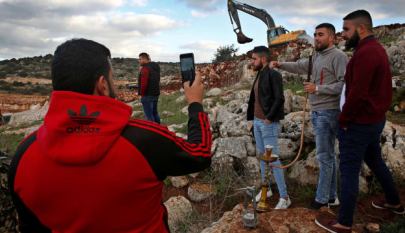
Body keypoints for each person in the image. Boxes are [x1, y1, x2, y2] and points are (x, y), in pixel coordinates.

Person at [8, 39, 212, 233]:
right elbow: (200, 153)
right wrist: (195, 103)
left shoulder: (23, 156)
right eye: (112, 77)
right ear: (102, 84)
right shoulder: (145, 139)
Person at [315, 10, 404, 233]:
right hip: (372, 121)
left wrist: (344, 120)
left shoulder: (366, 54)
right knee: (375, 161)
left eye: (346, 29)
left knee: (349, 171)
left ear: (361, 29)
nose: (343, 34)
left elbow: (357, 94)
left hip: (359, 124)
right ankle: (394, 201)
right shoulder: (373, 49)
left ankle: (344, 222)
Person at [270, 23, 348, 209]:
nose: (317, 38)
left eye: (321, 34)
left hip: (329, 112)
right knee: (327, 155)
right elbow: (299, 66)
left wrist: (317, 88)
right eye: (315, 34)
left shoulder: (338, 56)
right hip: (317, 111)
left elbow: (344, 85)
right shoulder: (316, 56)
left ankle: (321, 200)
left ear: (332, 37)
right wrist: (280, 64)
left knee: (324, 156)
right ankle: (331, 197)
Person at [247, 45, 291, 209]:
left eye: (254, 58)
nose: (252, 62)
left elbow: (279, 98)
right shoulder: (259, 74)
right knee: (262, 157)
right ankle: (267, 190)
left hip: (268, 123)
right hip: (258, 122)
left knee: (273, 160)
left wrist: (268, 118)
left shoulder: (273, 74)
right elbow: (254, 99)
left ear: (263, 59)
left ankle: (285, 197)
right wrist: (251, 119)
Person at [138, 52, 161, 124]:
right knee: (155, 113)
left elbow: (143, 84)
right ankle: (160, 130)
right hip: (155, 94)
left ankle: (154, 133)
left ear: (145, 59)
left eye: (140, 59)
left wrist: (141, 94)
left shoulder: (145, 69)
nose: (139, 61)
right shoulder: (156, 67)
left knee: (149, 116)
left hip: (147, 95)